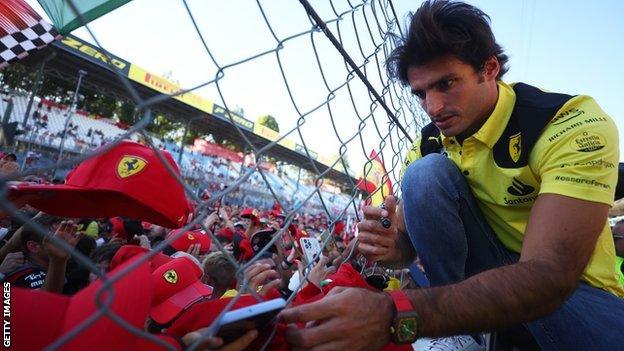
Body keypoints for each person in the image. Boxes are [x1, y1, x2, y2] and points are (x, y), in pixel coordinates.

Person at [279, 1, 624, 350]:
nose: (433, 107)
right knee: (423, 174)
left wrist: (395, 315)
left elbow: (551, 275)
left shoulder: (568, 123)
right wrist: (390, 245)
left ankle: (474, 334)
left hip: (577, 296)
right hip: (479, 295)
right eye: (421, 93)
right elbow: (405, 251)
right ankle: (470, 337)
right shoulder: (428, 144)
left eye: (446, 84)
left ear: (489, 68)